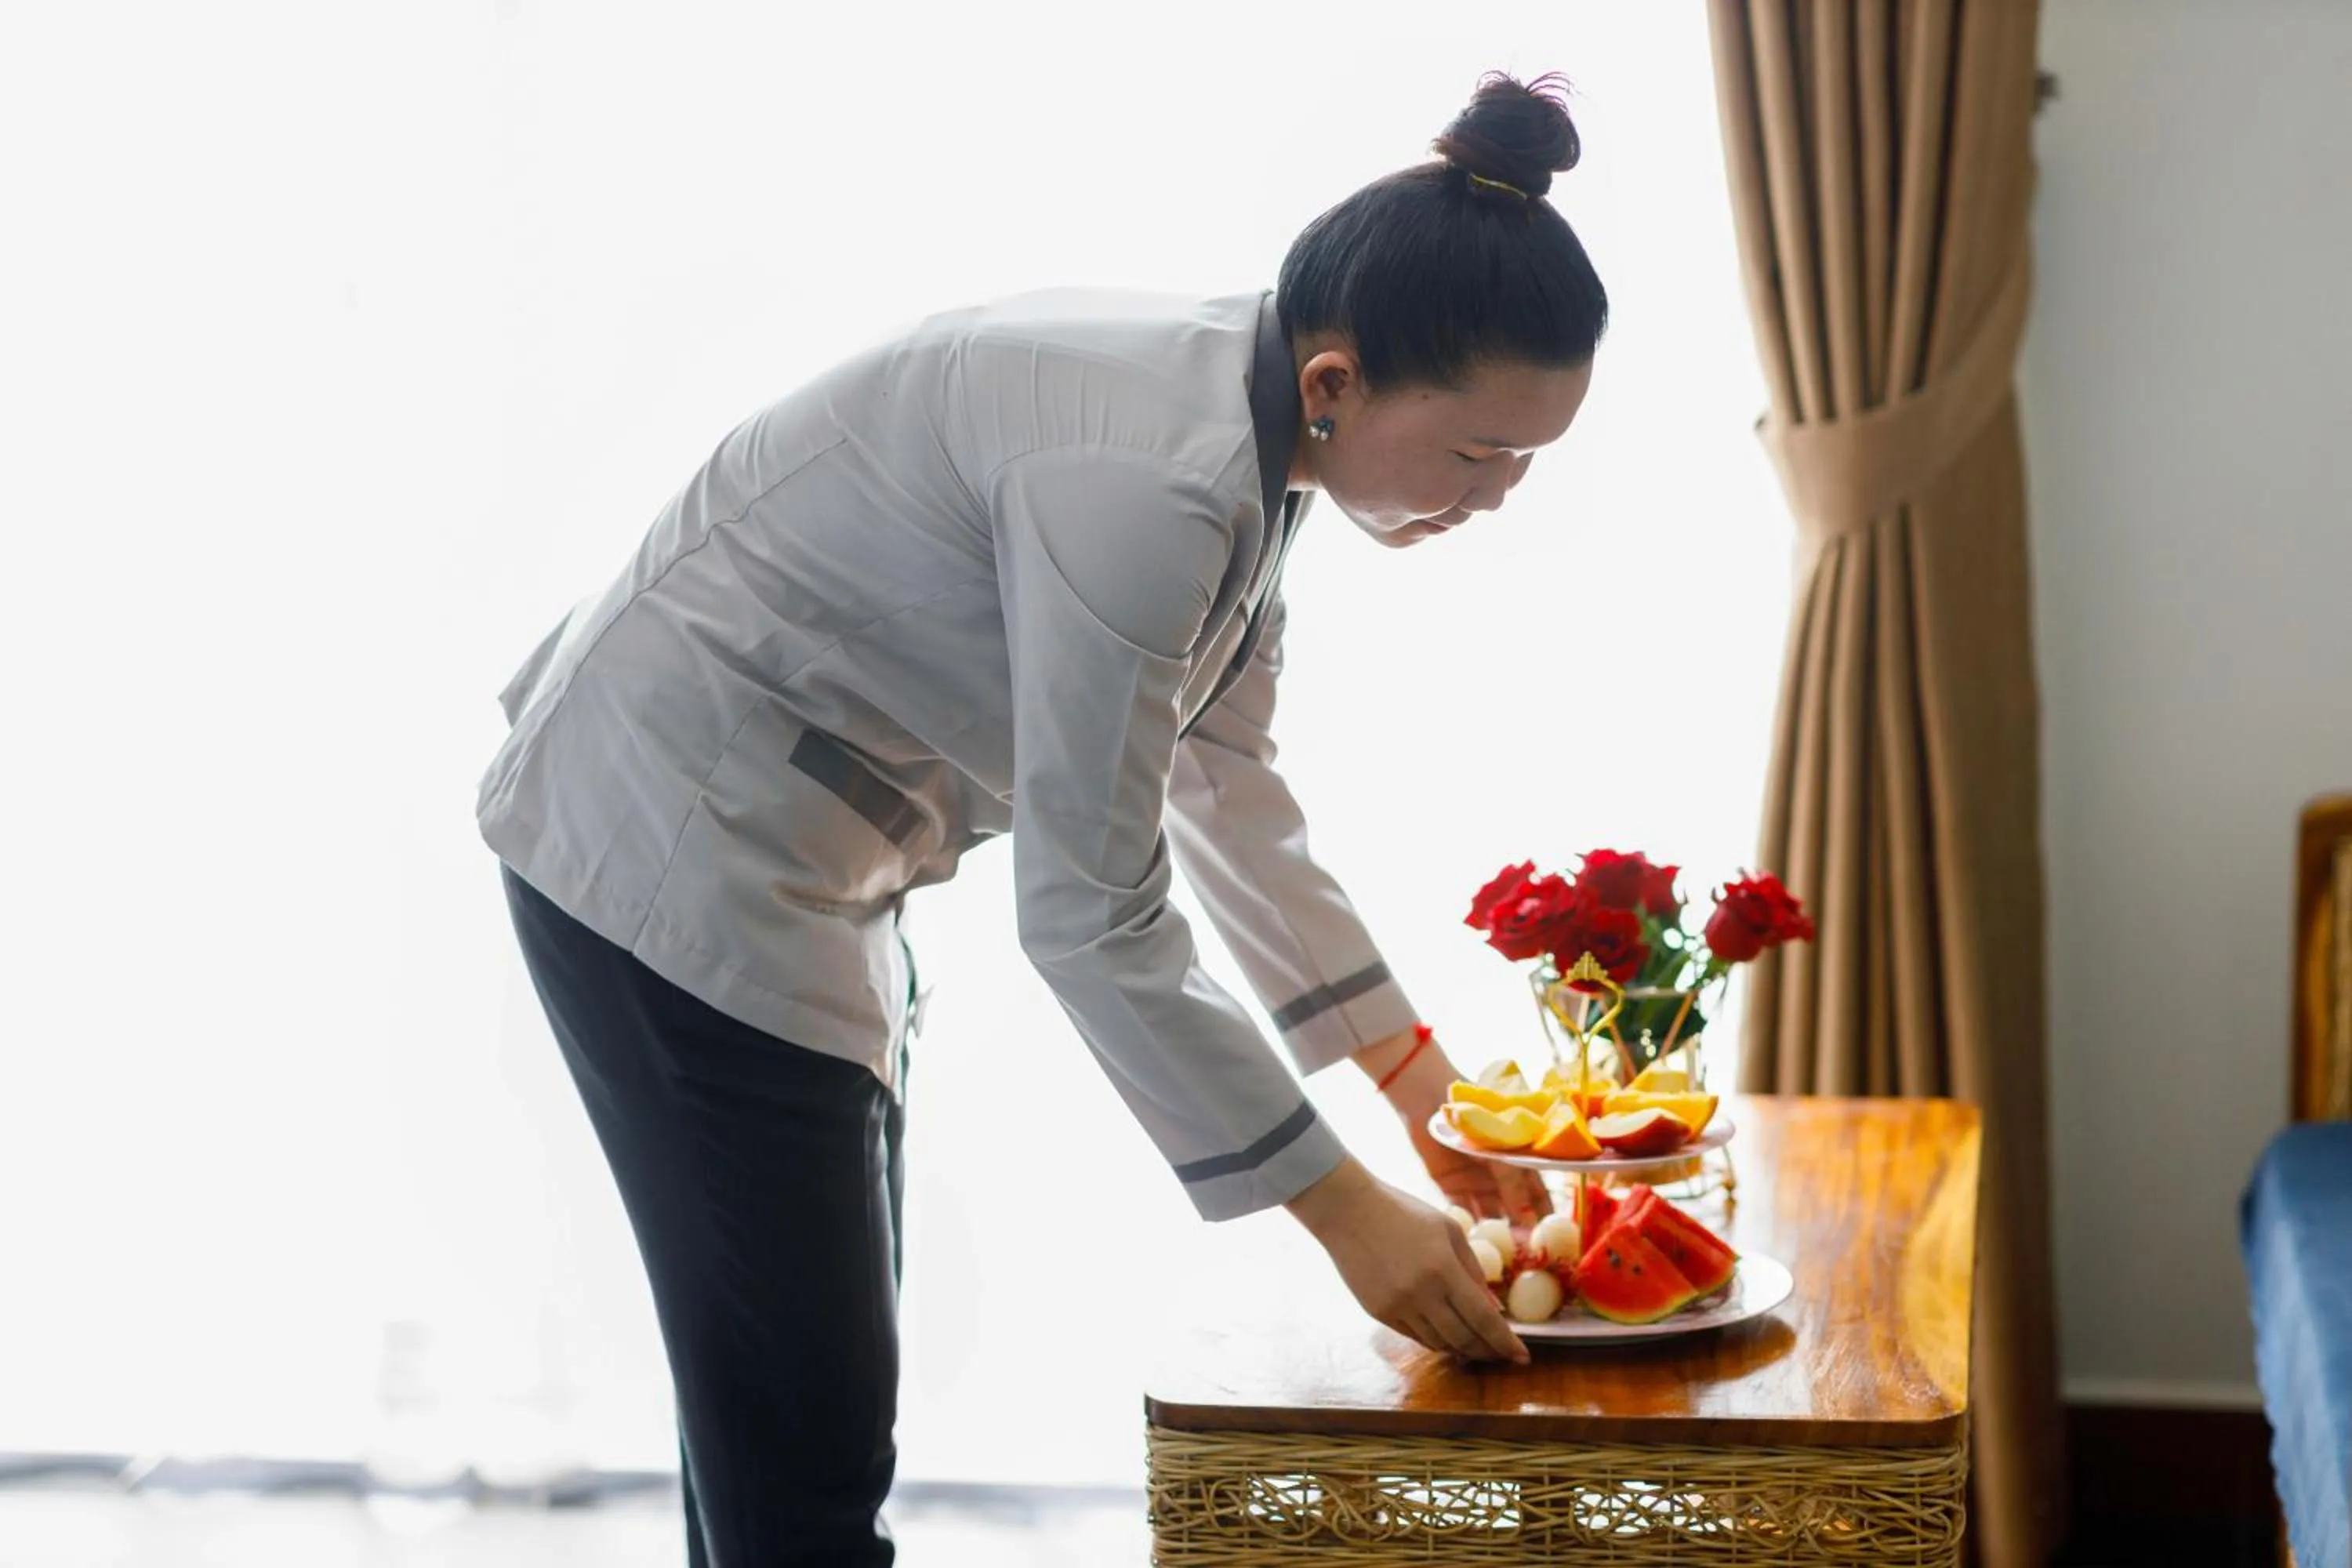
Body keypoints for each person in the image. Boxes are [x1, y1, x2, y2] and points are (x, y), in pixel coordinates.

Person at [477, 69, 1606, 1568]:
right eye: (1482, 456)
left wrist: (1424, 1098)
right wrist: (1344, 1213)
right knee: (804, 1436)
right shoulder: (1149, 475)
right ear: (1338, 383)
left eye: (1529, 463)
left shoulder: (1252, 443)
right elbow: (1091, 913)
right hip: (668, 845)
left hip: (800, 861)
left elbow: (1226, 783)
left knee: (787, 1414)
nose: (1501, 498)